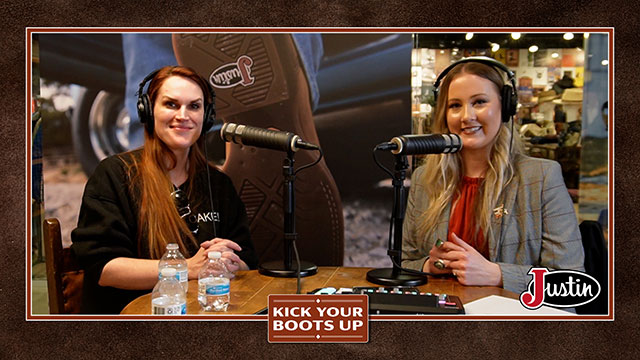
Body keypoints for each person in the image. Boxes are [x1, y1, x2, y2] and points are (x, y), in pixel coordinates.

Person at [71, 66, 258, 314]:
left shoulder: (219, 184)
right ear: (148, 111)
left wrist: (229, 262)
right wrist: (188, 268)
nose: (183, 115)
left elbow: (247, 261)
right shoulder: (115, 174)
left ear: (207, 116)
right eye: (171, 104)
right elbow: (103, 268)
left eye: (194, 106)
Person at [401, 59, 584, 294]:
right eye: (455, 105)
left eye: (479, 102)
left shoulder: (541, 177)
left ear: (505, 107)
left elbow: (572, 281)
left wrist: (497, 274)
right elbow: (405, 263)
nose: (466, 116)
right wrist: (430, 265)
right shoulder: (424, 178)